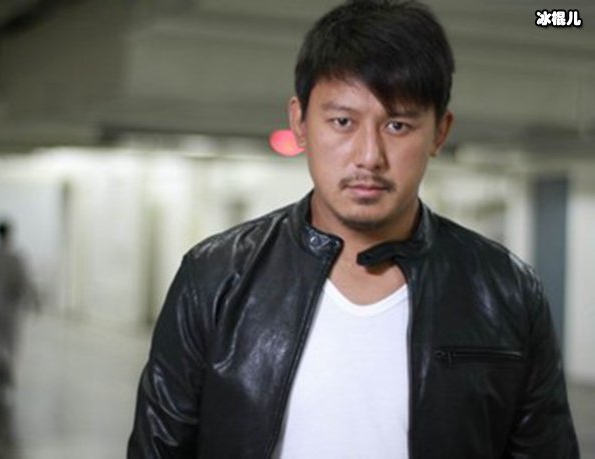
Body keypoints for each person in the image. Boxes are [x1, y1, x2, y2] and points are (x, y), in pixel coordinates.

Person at [127, 0, 580, 457]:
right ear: (299, 122)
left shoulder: (506, 291)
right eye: (342, 122)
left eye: (398, 125)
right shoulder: (215, 277)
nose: (369, 156)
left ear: (440, 133)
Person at [0, 219, 36, 396]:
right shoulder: (16, 259)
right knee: (10, 342)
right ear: (9, 235)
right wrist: (33, 302)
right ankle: (4, 369)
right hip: (10, 309)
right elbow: (24, 283)